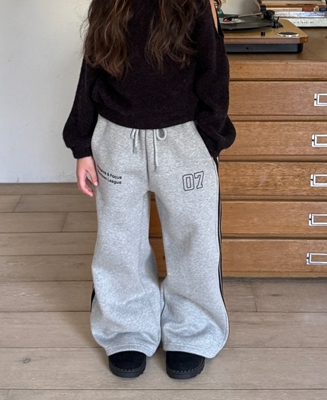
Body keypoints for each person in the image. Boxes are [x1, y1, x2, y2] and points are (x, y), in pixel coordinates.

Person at [63, 0, 236, 380]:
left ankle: (192, 329)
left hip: (184, 141)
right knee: (118, 241)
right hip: (115, 141)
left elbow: (214, 72)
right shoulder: (108, 3)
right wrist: (81, 145)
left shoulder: (196, 4)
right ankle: (126, 329)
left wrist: (209, 139)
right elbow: (91, 70)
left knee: (194, 241)